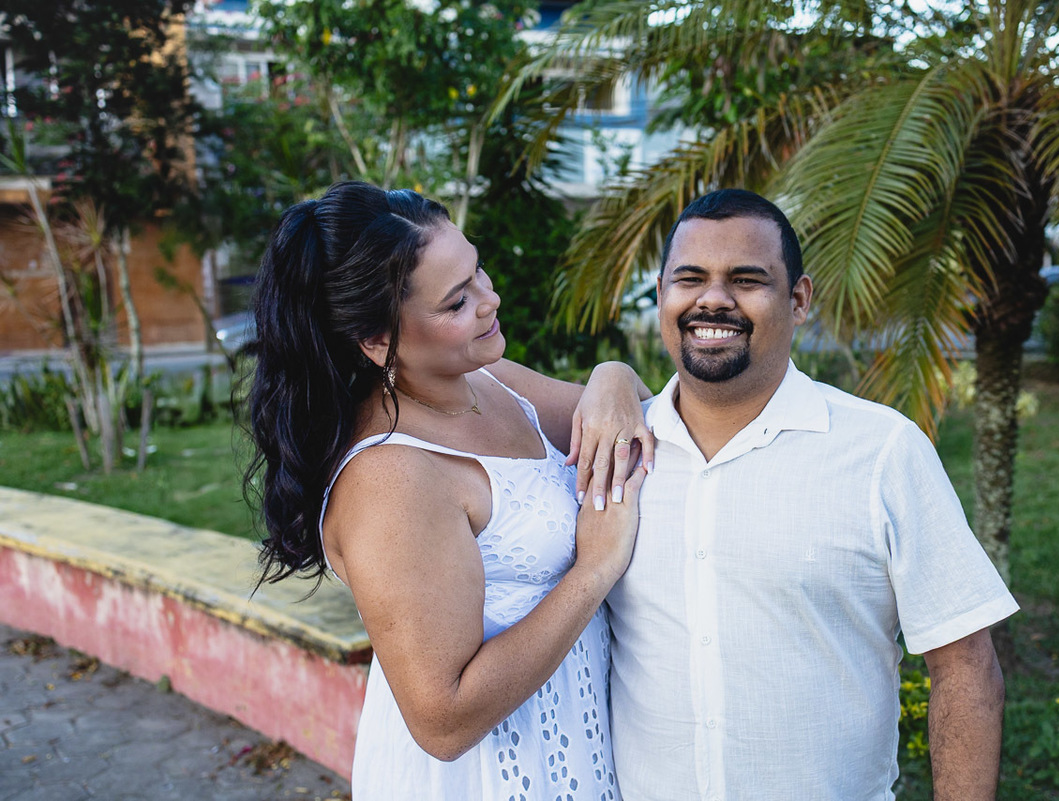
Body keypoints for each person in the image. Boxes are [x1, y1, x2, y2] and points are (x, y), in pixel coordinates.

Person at [605, 189, 1019, 800]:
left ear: (798, 300)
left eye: (746, 280)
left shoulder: (882, 451)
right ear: (663, 293)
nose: (712, 299)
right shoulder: (613, 453)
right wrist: (606, 378)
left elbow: (965, 668)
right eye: (689, 278)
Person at [244, 181, 652, 800]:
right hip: (490, 778)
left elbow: (632, 419)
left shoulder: (487, 380)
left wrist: (613, 375)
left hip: (576, 746)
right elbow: (443, 719)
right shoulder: (391, 479)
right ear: (377, 340)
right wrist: (594, 569)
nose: (489, 300)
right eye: (457, 301)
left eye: (478, 272)